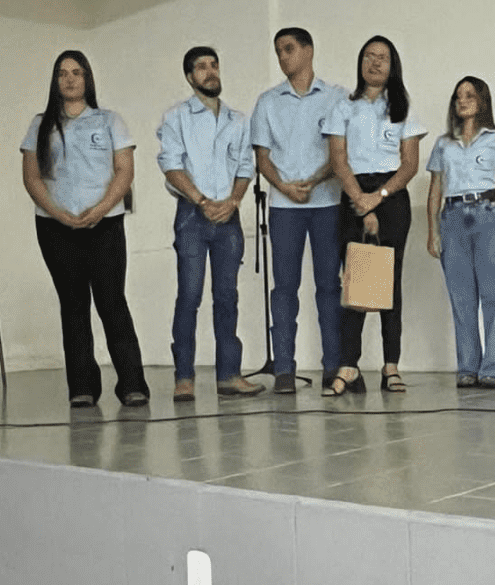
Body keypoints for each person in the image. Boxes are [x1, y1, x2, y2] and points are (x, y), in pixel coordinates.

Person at [20, 51, 149, 408]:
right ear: (55, 81)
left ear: (88, 78)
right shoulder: (39, 124)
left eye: (77, 73)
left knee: (111, 302)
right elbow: (32, 178)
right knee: (73, 306)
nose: (70, 79)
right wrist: (59, 214)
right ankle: (82, 387)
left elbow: (124, 171)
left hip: (104, 224)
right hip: (55, 226)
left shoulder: (109, 121)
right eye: (62, 73)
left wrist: (102, 208)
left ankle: (132, 384)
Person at [157, 46, 263, 400]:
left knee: (227, 297)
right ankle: (184, 377)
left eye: (214, 65)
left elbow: (246, 167)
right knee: (189, 296)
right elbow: (171, 165)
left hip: (229, 217)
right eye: (201, 67)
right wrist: (201, 201)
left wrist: (233, 201)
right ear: (190, 77)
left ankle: (229, 374)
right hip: (191, 215)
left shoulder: (238, 119)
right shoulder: (176, 117)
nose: (210, 71)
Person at [324, 36, 426, 395]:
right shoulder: (344, 107)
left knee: (389, 284)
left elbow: (410, 164)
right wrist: (359, 199)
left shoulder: (402, 108)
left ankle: (391, 366)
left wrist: (378, 198)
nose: (375, 63)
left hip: (391, 196)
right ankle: (349, 366)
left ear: (392, 64)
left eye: (382, 58)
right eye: (369, 56)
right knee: (357, 283)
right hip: (353, 194)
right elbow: (338, 159)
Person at [250, 28, 346, 394]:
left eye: (289, 49)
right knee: (284, 288)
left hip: (327, 203)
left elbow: (341, 152)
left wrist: (318, 179)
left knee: (329, 286)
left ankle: (333, 366)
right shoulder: (268, 102)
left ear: (308, 50)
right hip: (284, 206)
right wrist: (286, 187)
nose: (283, 57)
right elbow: (262, 157)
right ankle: (284, 369)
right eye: (278, 51)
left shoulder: (336, 98)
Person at [426, 77, 495, 388]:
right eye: (458, 96)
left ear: (482, 101)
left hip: (488, 215)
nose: (462, 101)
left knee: (494, 296)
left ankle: (494, 366)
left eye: (470, 95)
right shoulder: (444, 143)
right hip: (452, 218)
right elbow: (435, 188)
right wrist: (432, 231)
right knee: (462, 298)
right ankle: (468, 365)